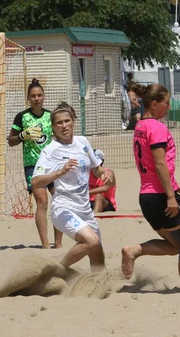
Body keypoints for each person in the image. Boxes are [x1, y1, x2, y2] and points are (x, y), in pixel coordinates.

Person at [121, 83, 180, 292]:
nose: (169, 107)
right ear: (154, 104)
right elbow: (159, 163)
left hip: (147, 195)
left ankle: (134, 250)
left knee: (175, 245)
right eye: (166, 103)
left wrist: (173, 183)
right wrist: (171, 195)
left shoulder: (140, 126)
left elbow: (151, 164)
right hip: (160, 196)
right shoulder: (156, 127)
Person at [32, 102, 115, 272]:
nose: (64, 126)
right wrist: (60, 172)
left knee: (97, 250)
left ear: (73, 121)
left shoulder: (82, 142)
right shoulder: (50, 150)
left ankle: (98, 284)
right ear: (53, 127)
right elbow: (36, 182)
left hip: (84, 209)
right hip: (63, 209)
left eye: (67, 121)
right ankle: (58, 269)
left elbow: (97, 169)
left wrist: (106, 173)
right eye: (59, 123)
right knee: (91, 241)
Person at [8, 78, 62, 249]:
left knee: (59, 200)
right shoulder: (22, 117)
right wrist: (23, 135)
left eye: (39, 95)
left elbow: (61, 136)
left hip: (52, 164)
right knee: (42, 202)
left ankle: (58, 243)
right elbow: (10, 141)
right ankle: (45, 244)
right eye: (33, 96)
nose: (37, 98)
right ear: (28, 98)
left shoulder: (50, 116)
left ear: (43, 96)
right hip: (33, 165)